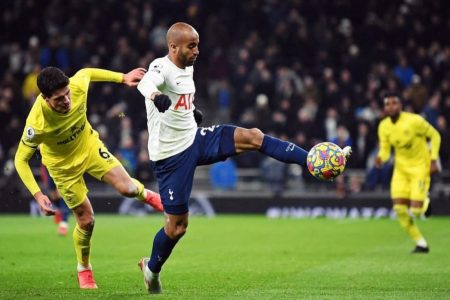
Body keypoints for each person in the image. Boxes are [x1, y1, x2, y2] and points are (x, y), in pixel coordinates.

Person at [136, 22, 351, 294]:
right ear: (173, 47)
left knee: (253, 136)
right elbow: (146, 83)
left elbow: (180, 99)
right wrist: (156, 96)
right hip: (170, 156)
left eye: (198, 44)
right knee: (177, 228)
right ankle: (151, 270)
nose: (197, 50)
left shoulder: (188, 65)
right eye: (192, 46)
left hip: (195, 138)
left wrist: (191, 111)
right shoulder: (161, 66)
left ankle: (310, 160)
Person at [14, 66, 164, 289]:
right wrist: (38, 195)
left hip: (89, 147)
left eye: (67, 94)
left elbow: (87, 72)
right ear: (44, 98)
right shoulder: (37, 124)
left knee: (128, 189)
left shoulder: (76, 87)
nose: (67, 100)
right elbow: (20, 160)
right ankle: (84, 268)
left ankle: (149, 196)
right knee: (87, 220)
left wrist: (123, 77)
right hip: (63, 167)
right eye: (59, 98)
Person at [375, 94, 441, 254]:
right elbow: (385, 151)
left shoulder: (414, 121)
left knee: (417, 211)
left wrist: (433, 160)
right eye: (387, 104)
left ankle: (425, 202)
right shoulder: (383, 126)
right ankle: (421, 243)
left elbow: (435, 135)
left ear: (400, 105)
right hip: (401, 171)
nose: (391, 106)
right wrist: (380, 159)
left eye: (394, 103)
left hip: (420, 167)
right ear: (385, 108)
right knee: (399, 209)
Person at [40, 164, 71, 236]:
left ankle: (64, 224)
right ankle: (59, 211)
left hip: (60, 166)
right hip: (48, 166)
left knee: (61, 195)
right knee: (53, 196)